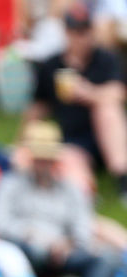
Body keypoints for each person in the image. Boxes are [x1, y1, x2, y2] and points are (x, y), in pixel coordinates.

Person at [0, 119, 119, 277]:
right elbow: (0, 224)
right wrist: (39, 239)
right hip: (26, 246)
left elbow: (83, 224)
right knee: (23, 250)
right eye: (38, 157)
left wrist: (70, 243)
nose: (43, 163)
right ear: (30, 157)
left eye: (47, 157)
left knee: (107, 257)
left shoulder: (71, 189)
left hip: (64, 251)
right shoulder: (9, 184)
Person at [24, 2, 127, 202]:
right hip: (74, 138)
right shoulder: (51, 65)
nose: (80, 38)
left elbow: (119, 93)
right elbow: (38, 107)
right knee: (71, 159)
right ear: (66, 32)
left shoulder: (105, 58)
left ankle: (123, 176)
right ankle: (86, 195)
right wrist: (24, 141)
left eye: (84, 31)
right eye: (75, 31)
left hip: (111, 136)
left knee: (107, 109)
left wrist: (89, 93)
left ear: (92, 31)